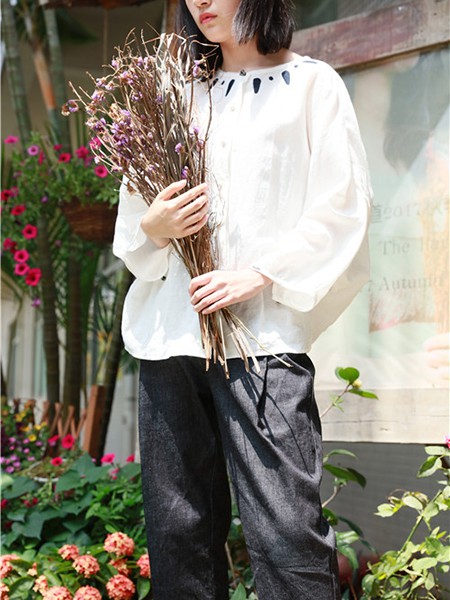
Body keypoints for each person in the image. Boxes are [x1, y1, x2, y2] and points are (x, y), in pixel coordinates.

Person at [112, 0, 372, 598]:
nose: (201, 2)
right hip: (169, 341)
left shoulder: (312, 87)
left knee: (289, 536)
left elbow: (341, 208)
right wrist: (155, 226)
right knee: (179, 538)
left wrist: (259, 273)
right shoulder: (172, 94)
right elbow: (135, 225)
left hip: (263, 342)